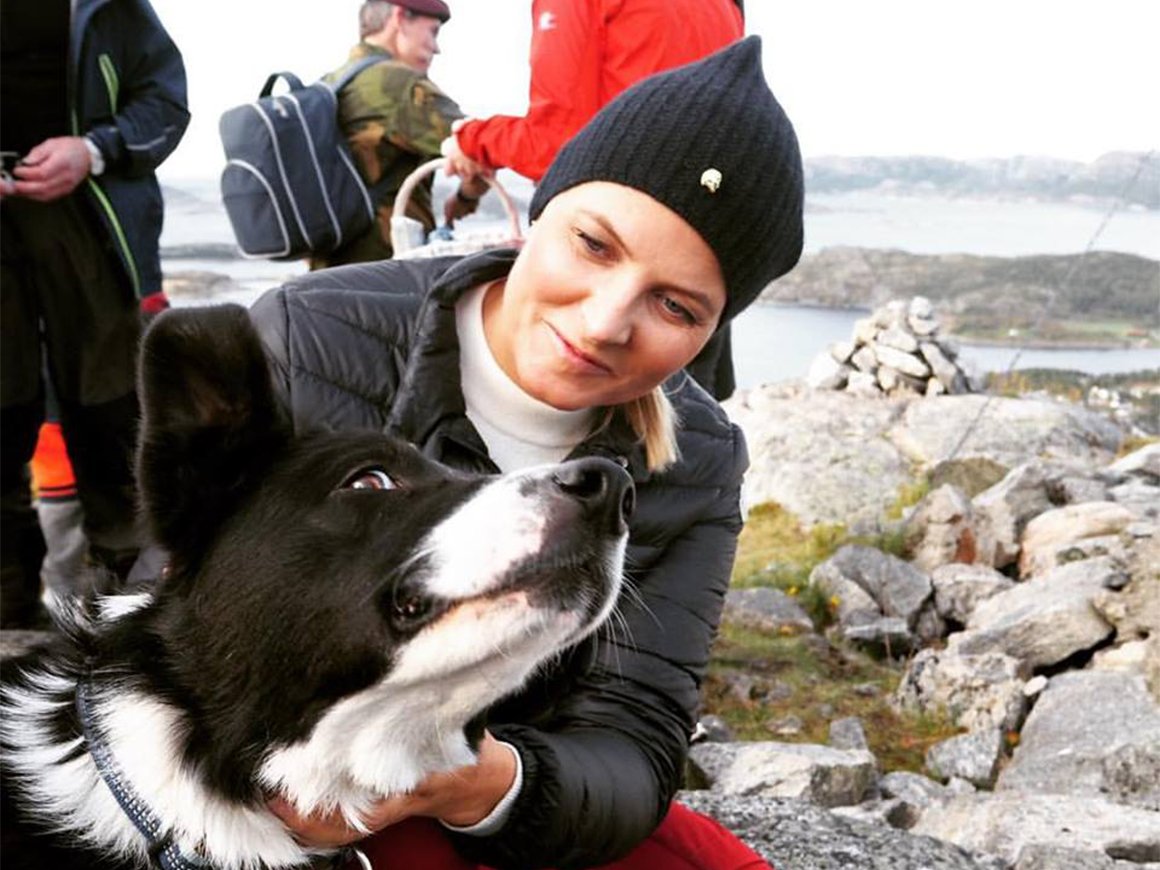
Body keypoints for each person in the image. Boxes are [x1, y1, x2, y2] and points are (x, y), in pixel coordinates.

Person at [252, 37, 802, 869]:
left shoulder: (698, 461)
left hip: (495, 798)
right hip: (274, 782)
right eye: (594, 245)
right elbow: (170, 606)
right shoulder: (308, 339)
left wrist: (473, 784)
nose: (604, 322)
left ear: (710, 335)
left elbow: (633, 735)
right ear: (539, 213)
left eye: (675, 307)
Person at [441, 0, 749, 400]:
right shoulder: (724, 6)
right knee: (686, 424)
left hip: (617, 251)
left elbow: (557, 145)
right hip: (697, 270)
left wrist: (471, 140)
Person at [0, 0, 189, 628]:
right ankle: (9, 619)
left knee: (113, 421)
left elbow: (165, 101)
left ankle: (126, 621)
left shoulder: (113, 7)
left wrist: (93, 149)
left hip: (92, 226)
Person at [313, 0, 489, 269]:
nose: (436, 48)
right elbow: (480, 146)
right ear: (400, 18)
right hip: (385, 270)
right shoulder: (400, 84)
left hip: (325, 268)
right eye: (432, 32)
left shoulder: (329, 84)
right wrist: (466, 197)